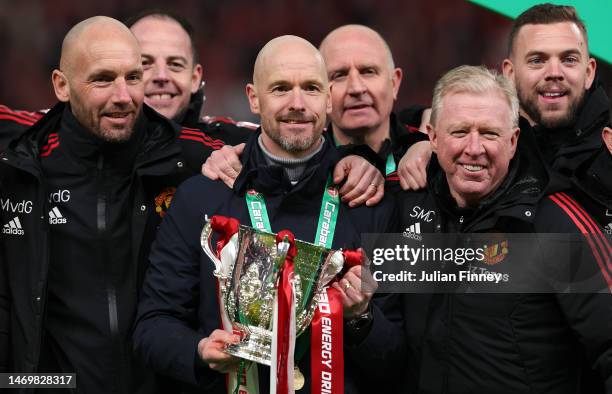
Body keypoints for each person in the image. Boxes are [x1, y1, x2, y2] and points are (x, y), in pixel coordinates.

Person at [133, 35, 394, 393]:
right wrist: (198, 351)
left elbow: (399, 358)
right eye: (281, 88)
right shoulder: (201, 197)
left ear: (329, 98)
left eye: (311, 88)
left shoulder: (366, 199)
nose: (297, 103)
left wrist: (361, 319)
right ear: (254, 98)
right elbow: (152, 326)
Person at [354, 65, 612, 393]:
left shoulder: (557, 222)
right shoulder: (403, 209)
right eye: (460, 132)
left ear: (513, 140)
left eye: (489, 133)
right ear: (432, 136)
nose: (474, 149)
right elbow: (392, 354)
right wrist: (360, 322)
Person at [0, 16, 209, 393]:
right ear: (61, 86)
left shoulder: (192, 156)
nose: (124, 96)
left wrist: (353, 156)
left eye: (132, 77)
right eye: (102, 79)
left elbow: (285, 142)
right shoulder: (23, 162)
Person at [397, 4, 610, 211]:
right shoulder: (491, 134)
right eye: (537, 60)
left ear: (589, 72)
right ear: (510, 73)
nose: (554, 72)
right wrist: (421, 139)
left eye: (569, 59)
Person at [202, 24, 429, 194]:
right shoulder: (283, 146)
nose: (356, 88)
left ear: (394, 82)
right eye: (338, 75)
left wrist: (429, 145)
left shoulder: (434, 154)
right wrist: (217, 156)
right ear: (326, 93)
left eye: (368, 71)